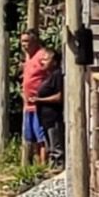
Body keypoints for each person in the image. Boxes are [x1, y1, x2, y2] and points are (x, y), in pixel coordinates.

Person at [20, 29, 48, 166]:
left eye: (27, 42)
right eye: (22, 42)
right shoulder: (27, 57)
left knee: (41, 137)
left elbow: (50, 74)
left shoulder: (42, 55)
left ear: (34, 41)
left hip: (39, 104)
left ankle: (43, 164)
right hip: (28, 105)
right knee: (33, 138)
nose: (24, 45)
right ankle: (37, 165)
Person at [34, 48, 65, 168]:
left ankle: (58, 167)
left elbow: (59, 97)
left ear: (54, 62)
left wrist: (39, 100)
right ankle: (52, 167)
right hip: (45, 117)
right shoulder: (49, 75)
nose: (42, 62)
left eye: (46, 59)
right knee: (49, 145)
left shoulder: (57, 75)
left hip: (53, 116)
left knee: (56, 145)